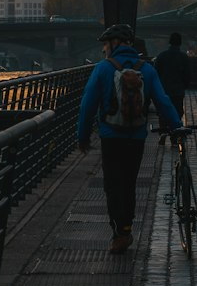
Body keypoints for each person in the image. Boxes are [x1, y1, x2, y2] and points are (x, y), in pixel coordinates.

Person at [77, 23, 183, 254]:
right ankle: (126, 225)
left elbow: (87, 105)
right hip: (136, 136)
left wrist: (83, 137)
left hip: (110, 137)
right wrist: (177, 126)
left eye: (106, 44)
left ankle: (120, 233)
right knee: (129, 182)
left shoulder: (103, 69)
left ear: (114, 44)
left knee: (113, 185)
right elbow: (163, 101)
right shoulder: (146, 69)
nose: (104, 49)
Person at [153, 32, 192, 144]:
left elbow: (156, 73)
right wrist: (184, 85)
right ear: (180, 43)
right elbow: (187, 74)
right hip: (178, 89)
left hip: (164, 89)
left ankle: (163, 132)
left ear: (169, 42)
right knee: (177, 111)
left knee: (162, 111)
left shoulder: (161, 56)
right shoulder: (183, 57)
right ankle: (175, 134)